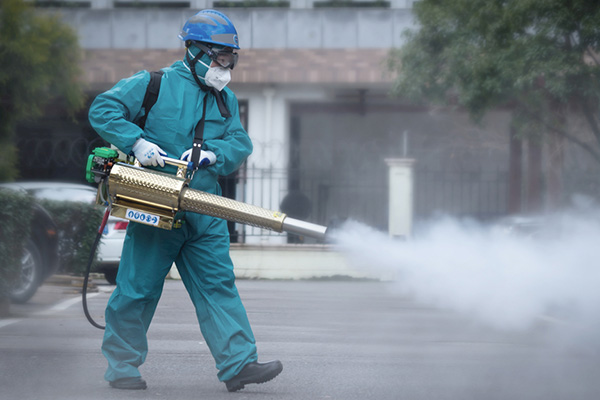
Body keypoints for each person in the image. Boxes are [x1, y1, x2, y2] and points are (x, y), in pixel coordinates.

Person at [88, 9, 282, 392]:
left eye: (230, 58)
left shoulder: (225, 98)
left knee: (218, 286)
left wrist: (212, 153)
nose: (225, 65)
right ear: (194, 51)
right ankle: (122, 367)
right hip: (155, 204)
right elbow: (103, 109)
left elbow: (240, 142)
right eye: (220, 56)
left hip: (205, 209)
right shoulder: (153, 84)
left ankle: (239, 364)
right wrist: (137, 142)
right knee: (137, 289)